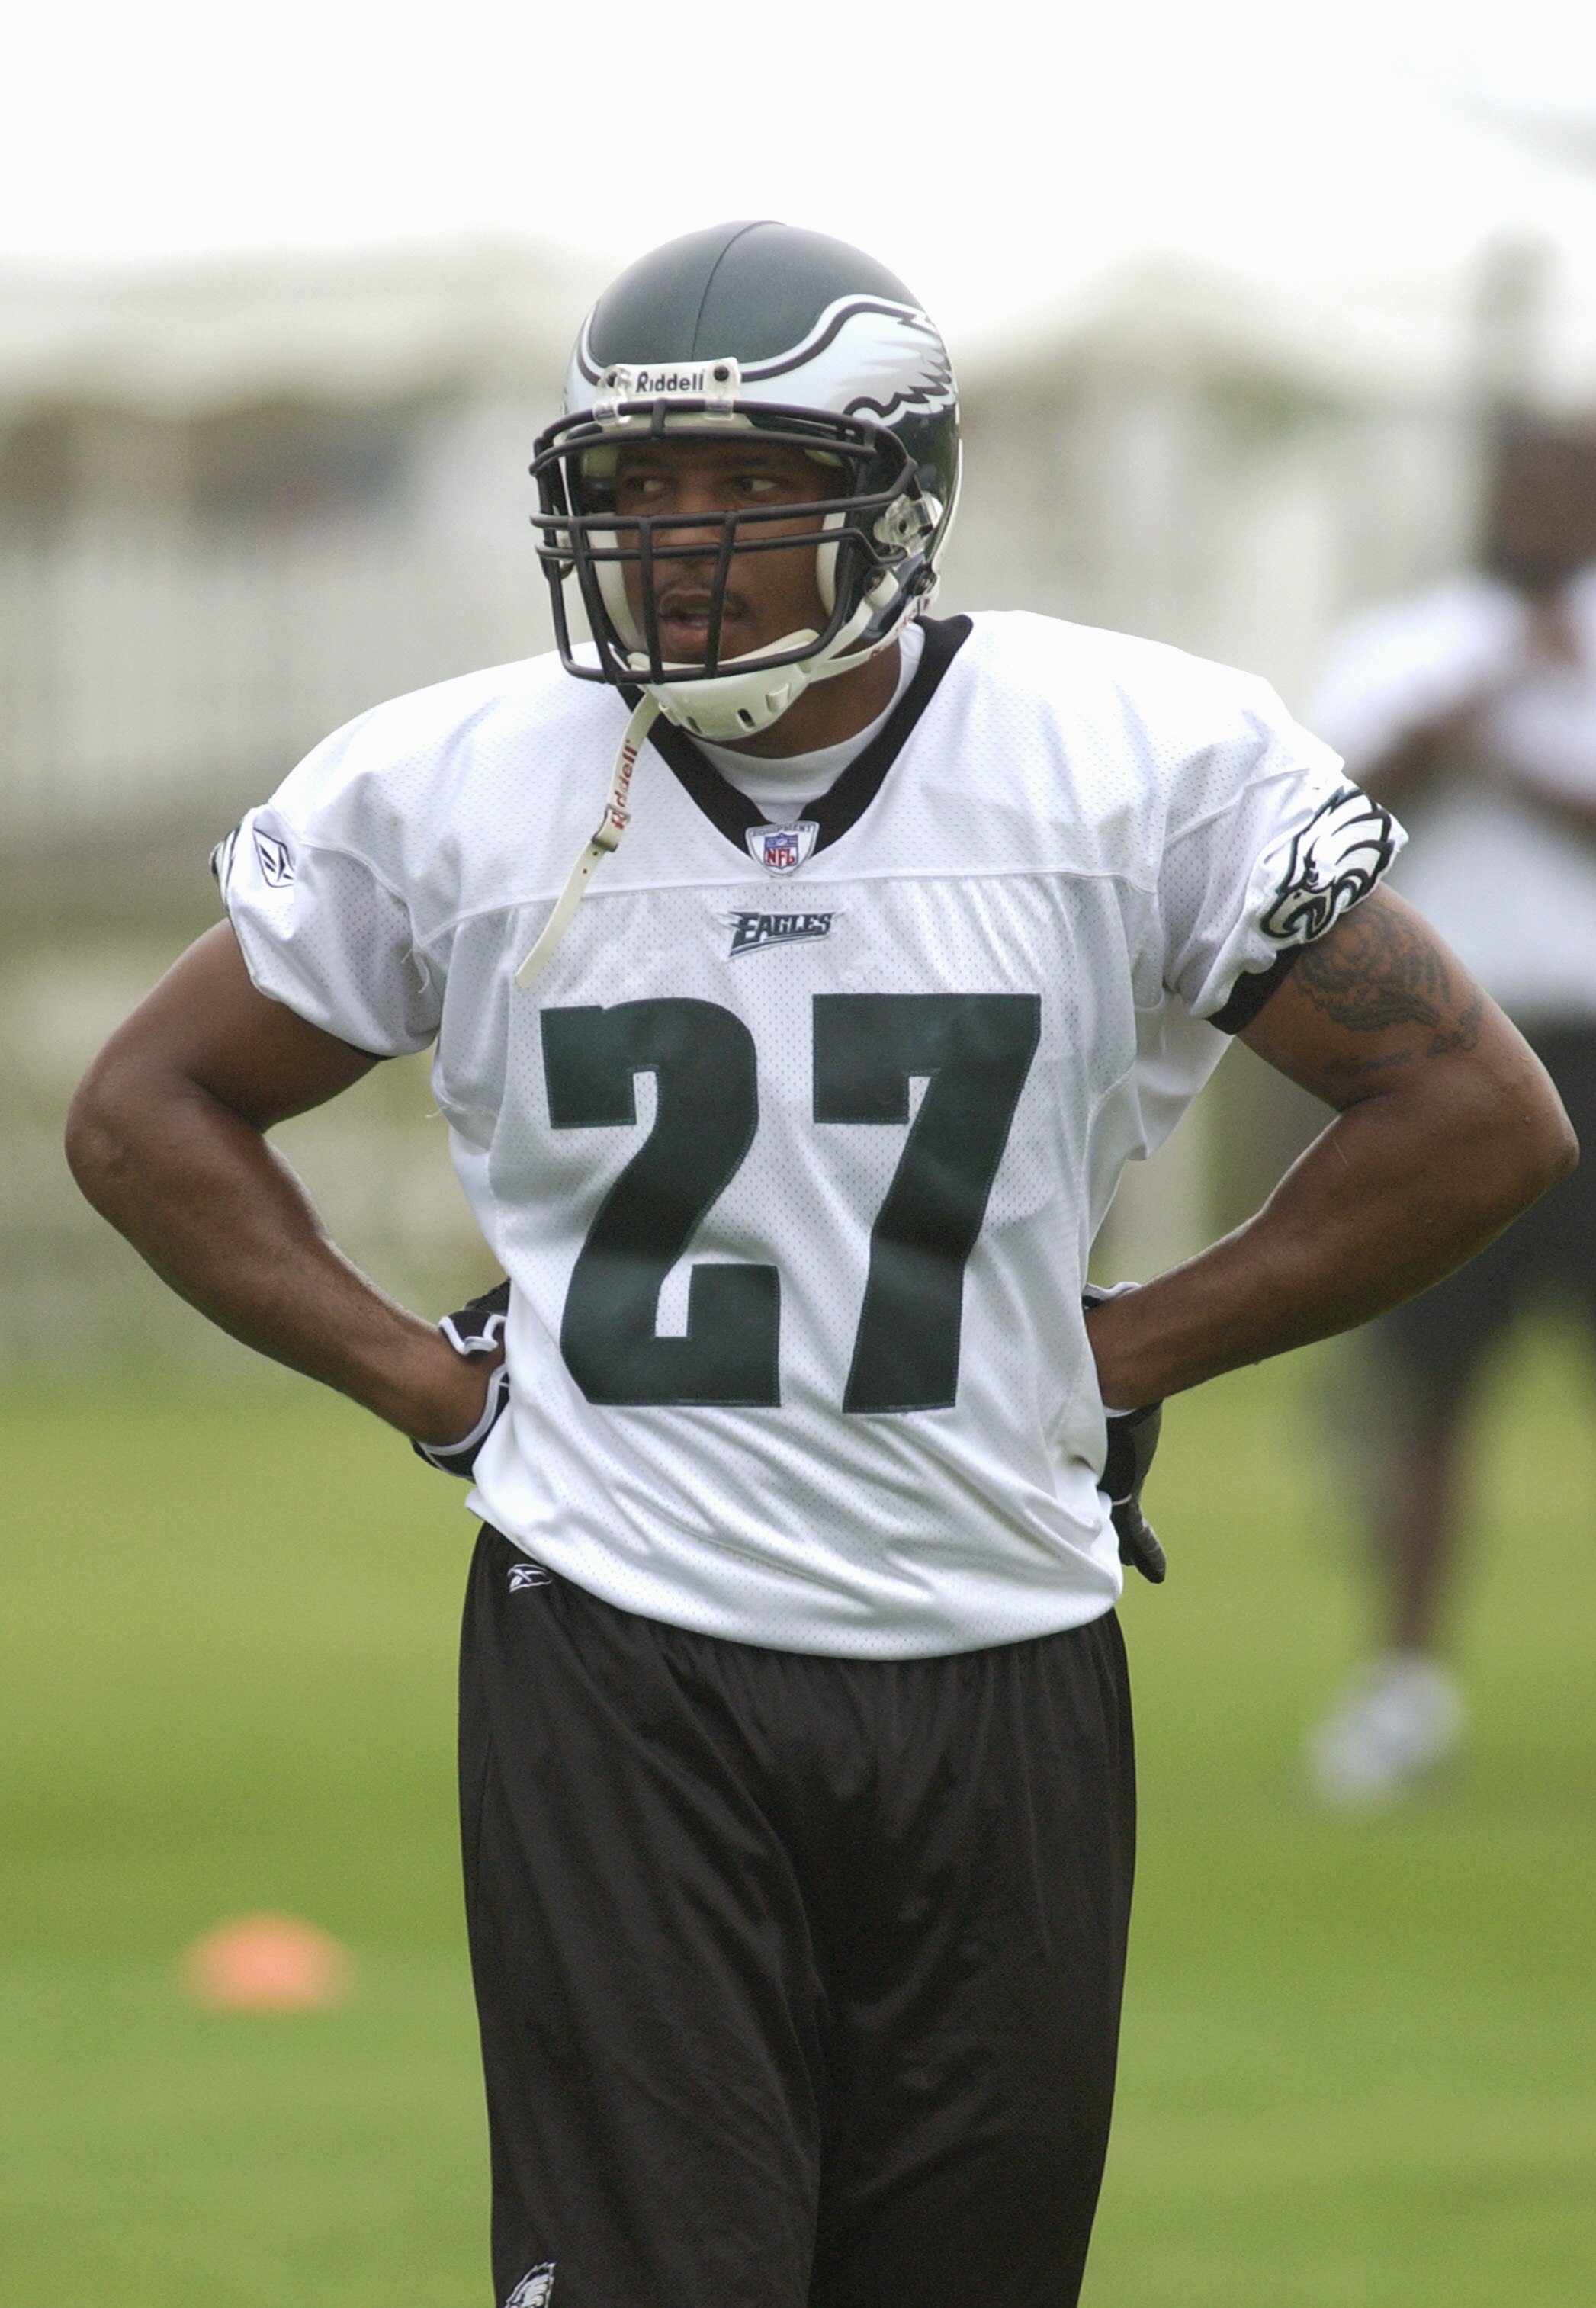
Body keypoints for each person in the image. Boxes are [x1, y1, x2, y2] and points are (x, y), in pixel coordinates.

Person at [66, 222, 1573, 2308]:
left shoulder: (1124, 755)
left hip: (999, 1640)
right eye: (634, 490)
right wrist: (422, 1379)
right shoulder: (462, 779)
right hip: (618, 1643)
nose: (680, 546)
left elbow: (1473, 1117)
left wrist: (1132, 1340)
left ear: (895, 490)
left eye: (744, 486)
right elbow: (147, 1109)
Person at [1305, 416, 1596, 1807]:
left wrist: (1526, 755)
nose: (1535, 506)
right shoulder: (1406, 644)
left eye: (1562, 485)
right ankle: (1403, 1686)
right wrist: (1471, 710)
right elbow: (1321, 828)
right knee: (1426, 1383)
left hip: (1595, 1046)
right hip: (1443, 1056)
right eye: (1518, 482)